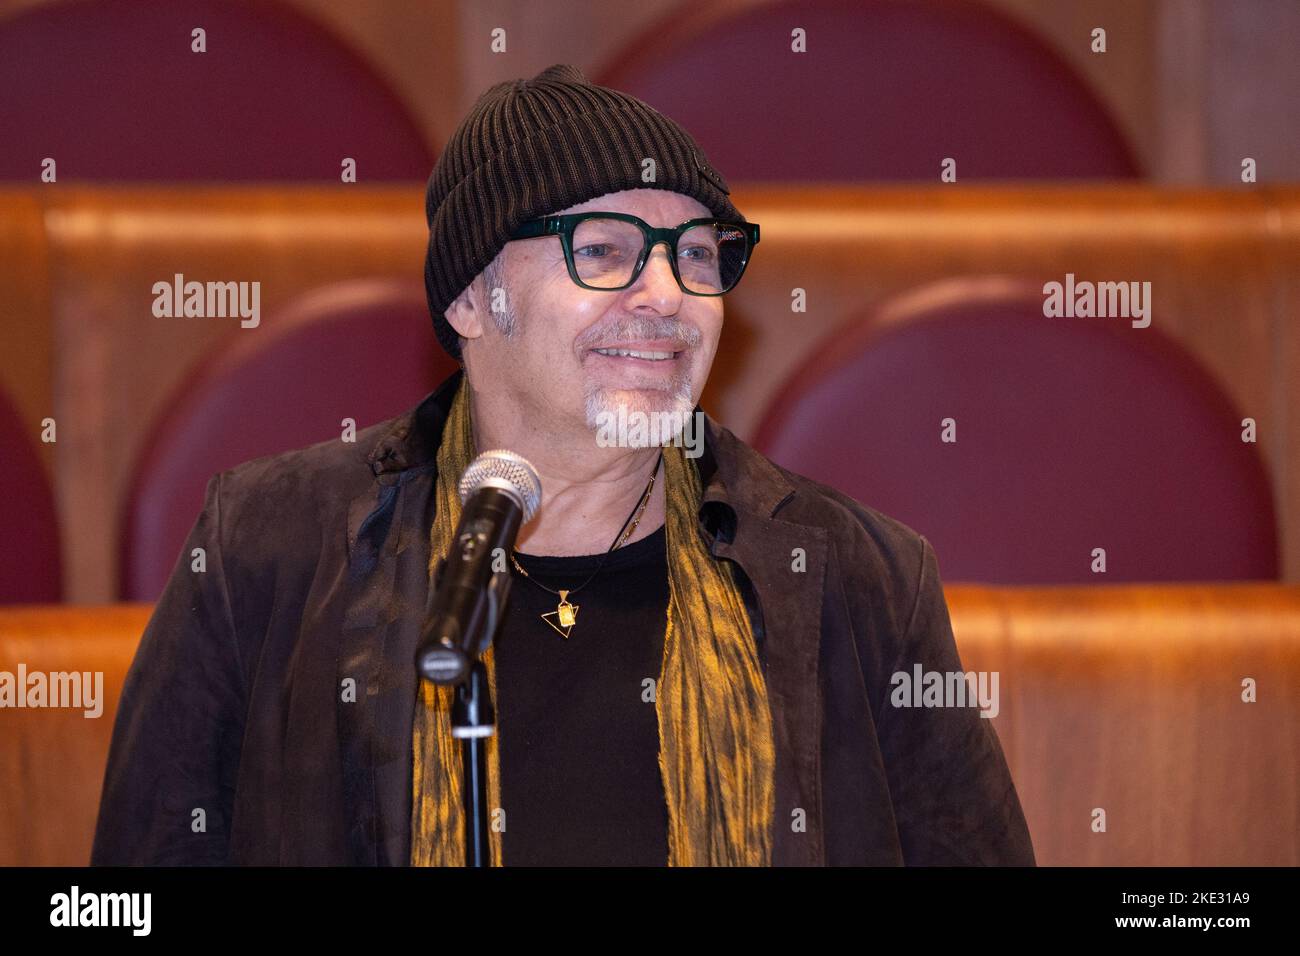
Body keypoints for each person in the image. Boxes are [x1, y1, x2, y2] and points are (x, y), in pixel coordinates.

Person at [91, 63, 1034, 866]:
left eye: (698, 255)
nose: (667, 295)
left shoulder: (859, 576)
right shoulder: (266, 549)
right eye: (606, 251)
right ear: (472, 296)